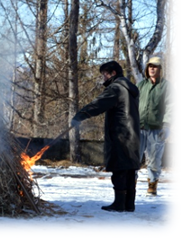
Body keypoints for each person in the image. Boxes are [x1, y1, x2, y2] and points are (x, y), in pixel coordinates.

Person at [71, 61, 140, 212]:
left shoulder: (116, 88)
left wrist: (80, 116)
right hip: (133, 135)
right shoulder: (130, 89)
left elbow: (99, 104)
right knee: (129, 170)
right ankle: (129, 204)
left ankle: (119, 204)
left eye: (105, 74)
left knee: (120, 169)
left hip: (121, 135)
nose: (103, 78)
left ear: (113, 73)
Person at [136, 56, 177, 196]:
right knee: (133, 157)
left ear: (160, 69)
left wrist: (166, 125)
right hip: (139, 128)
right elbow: (132, 104)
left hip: (156, 129)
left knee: (154, 159)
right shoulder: (141, 86)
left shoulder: (166, 87)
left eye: (155, 66)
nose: (152, 68)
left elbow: (171, 107)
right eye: (150, 66)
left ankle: (152, 185)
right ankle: (130, 184)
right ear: (147, 69)